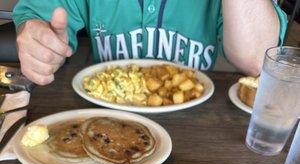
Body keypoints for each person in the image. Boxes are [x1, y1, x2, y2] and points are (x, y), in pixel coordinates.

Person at [13, 0, 287, 86]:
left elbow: (256, 59)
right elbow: (38, 16)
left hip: (199, 131)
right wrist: (38, 40)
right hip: (104, 119)